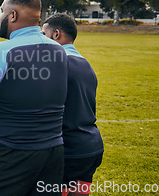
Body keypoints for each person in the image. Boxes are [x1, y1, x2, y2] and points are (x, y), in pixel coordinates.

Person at [0, 0, 68, 196]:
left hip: (13, 149)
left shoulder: (0, 51)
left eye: (2, 12)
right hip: (54, 151)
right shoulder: (58, 50)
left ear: (12, 16)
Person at [42, 13, 104, 196]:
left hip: (68, 149)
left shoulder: (58, 64)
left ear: (56, 34)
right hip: (91, 146)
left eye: (43, 35)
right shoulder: (85, 64)